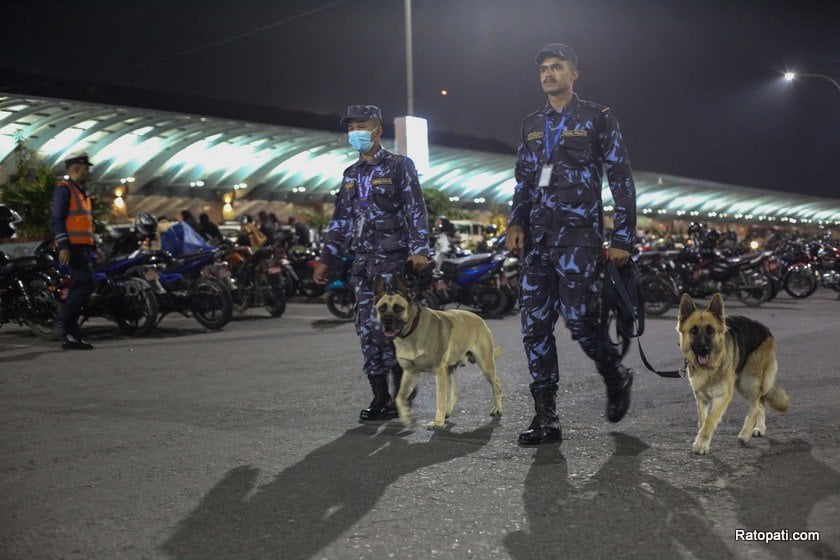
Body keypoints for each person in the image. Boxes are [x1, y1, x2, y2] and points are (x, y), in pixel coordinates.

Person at [506, 43, 637, 445]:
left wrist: (622, 237)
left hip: (580, 238)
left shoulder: (598, 118)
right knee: (534, 326)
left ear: (574, 73)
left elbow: (620, 178)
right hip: (540, 242)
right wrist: (516, 221)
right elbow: (526, 180)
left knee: (581, 321)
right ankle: (546, 417)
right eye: (544, 68)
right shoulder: (531, 123)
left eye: (557, 67)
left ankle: (614, 373)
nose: (548, 73)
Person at [313, 104, 431, 421]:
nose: (354, 133)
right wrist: (327, 259)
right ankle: (379, 397)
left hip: (393, 262)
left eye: (360, 127)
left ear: (377, 131)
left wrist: (420, 249)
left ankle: (400, 395)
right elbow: (340, 219)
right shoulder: (351, 175)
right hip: (363, 265)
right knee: (367, 330)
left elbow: (415, 208)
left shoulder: (399, 166)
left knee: (393, 330)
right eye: (350, 128)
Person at [49, 152, 106, 350]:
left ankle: (71, 336)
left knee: (79, 287)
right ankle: (63, 323)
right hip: (72, 247)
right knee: (85, 284)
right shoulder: (63, 190)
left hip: (81, 246)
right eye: (85, 168)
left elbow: (83, 224)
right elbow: (57, 220)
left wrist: (94, 246)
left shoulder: (80, 191)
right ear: (74, 169)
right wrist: (63, 246)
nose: (88, 171)